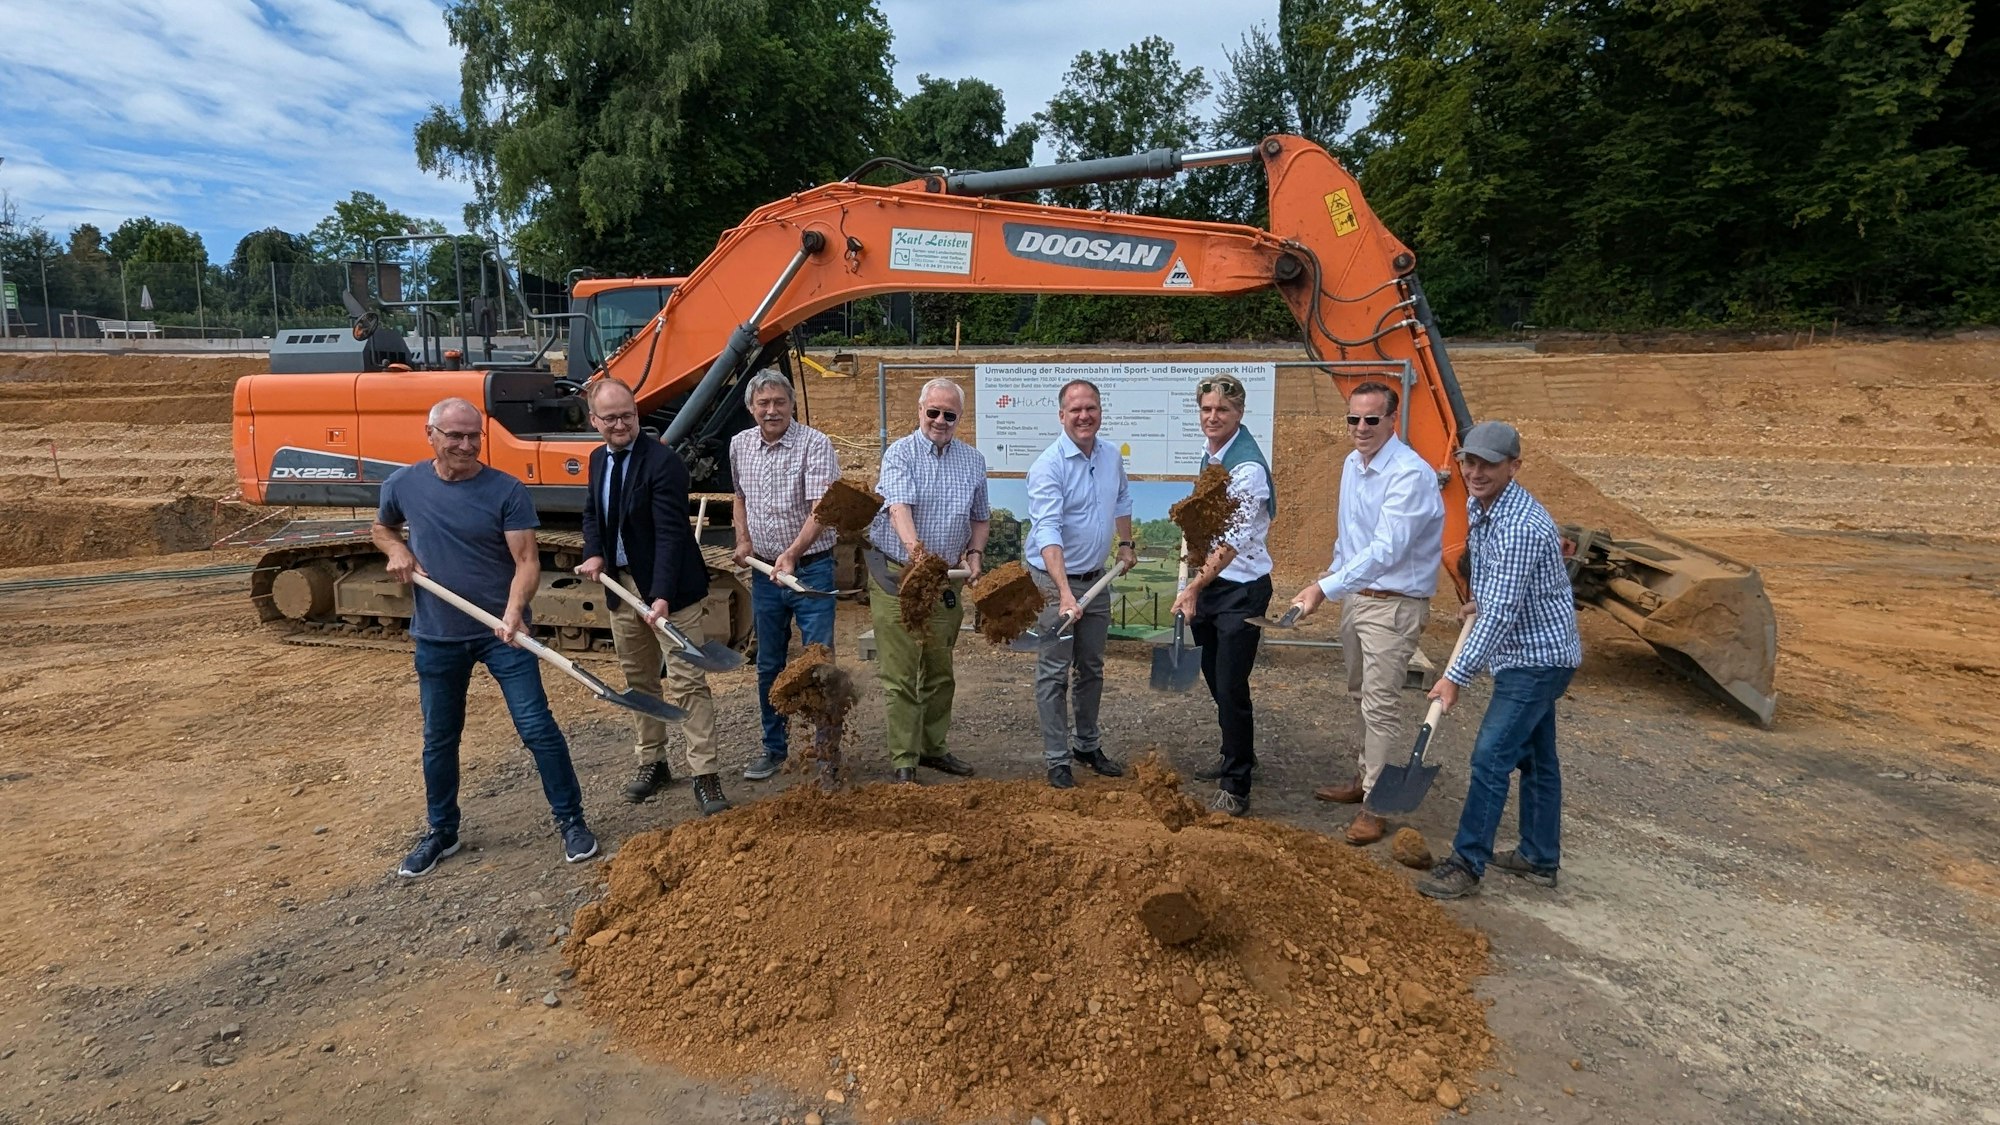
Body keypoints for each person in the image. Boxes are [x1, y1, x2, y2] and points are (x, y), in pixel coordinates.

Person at [371, 396, 597, 878]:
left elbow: (527, 562)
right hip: (437, 634)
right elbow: (381, 528)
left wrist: (514, 613)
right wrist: (396, 549)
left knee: (538, 729)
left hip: (503, 635)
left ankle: (572, 822)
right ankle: (442, 832)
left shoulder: (506, 490)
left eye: (475, 436)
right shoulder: (403, 484)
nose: (467, 445)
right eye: (455, 435)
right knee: (439, 737)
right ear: (430, 433)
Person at [1417, 421, 1583, 900]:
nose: (1474, 471)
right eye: (1468, 460)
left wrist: (1454, 677)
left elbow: (1503, 614)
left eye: (1488, 463)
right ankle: (1538, 857)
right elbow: (1497, 586)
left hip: (1539, 657)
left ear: (1514, 466)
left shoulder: (1524, 527)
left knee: (1491, 755)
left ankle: (1467, 862)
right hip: (1525, 650)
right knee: (1537, 758)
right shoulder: (1478, 502)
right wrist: (1480, 599)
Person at [1285, 380, 1446, 845]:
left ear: (1392, 421)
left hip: (1393, 605)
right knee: (1360, 694)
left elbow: (1387, 549)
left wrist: (1324, 587)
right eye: (1353, 419)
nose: (1360, 427)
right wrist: (1331, 580)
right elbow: (1350, 539)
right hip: (1359, 600)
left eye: (1371, 419)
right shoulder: (1352, 465)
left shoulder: (1410, 475)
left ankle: (1376, 805)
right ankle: (1365, 780)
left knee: (1380, 704)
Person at [575, 378, 728, 817]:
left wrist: (660, 596)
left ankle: (705, 773)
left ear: (637, 415)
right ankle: (653, 762)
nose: (621, 424)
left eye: (628, 415)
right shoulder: (597, 462)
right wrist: (595, 553)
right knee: (639, 679)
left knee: (687, 681)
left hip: (670, 591)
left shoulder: (663, 464)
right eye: (611, 418)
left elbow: (671, 535)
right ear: (594, 421)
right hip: (622, 589)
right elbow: (592, 512)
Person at [865, 378, 990, 783]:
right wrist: (916, 553)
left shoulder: (972, 461)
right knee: (901, 673)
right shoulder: (899, 453)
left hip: (945, 579)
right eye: (933, 411)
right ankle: (904, 758)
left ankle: (933, 748)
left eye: (949, 414)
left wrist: (975, 554)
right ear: (920, 411)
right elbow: (898, 505)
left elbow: (980, 516)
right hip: (898, 574)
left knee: (940, 670)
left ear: (959, 418)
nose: (940, 420)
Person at [1025, 379, 1137, 789]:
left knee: (1091, 667)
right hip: (1055, 584)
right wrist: (1065, 593)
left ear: (1100, 412)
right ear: (1061, 416)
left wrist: (1125, 544)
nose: (1084, 416)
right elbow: (1047, 532)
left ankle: (1086, 744)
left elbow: (1122, 500)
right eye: (1075, 410)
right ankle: (1057, 758)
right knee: (1054, 671)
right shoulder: (1048, 466)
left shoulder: (1110, 456)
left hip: (1096, 578)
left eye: (1090, 408)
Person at [730, 369, 840, 782]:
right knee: (769, 664)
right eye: (763, 404)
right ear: (751, 408)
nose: (772, 410)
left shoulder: (815, 444)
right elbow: (740, 498)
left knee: (819, 662)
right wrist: (743, 541)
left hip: (811, 569)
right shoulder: (740, 445)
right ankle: (773, 749)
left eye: (779, 402)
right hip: (764, 574)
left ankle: (826, 752)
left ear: (792, 404)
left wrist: (792, 555)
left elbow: (822, 509)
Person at [1172, 373, 1274, 817]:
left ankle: (1237, 783)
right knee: (1215, 676)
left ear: (1240, 414)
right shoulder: (1211, 454)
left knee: (1231, 685)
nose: (1213, 417)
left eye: (1223, 411)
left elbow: (1232, 541)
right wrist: (1192, 579)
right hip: (1212, 585)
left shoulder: (1248, 469)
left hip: (1242, 590)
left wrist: (1193, 587)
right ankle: (1238, 751)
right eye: (1207, 409)